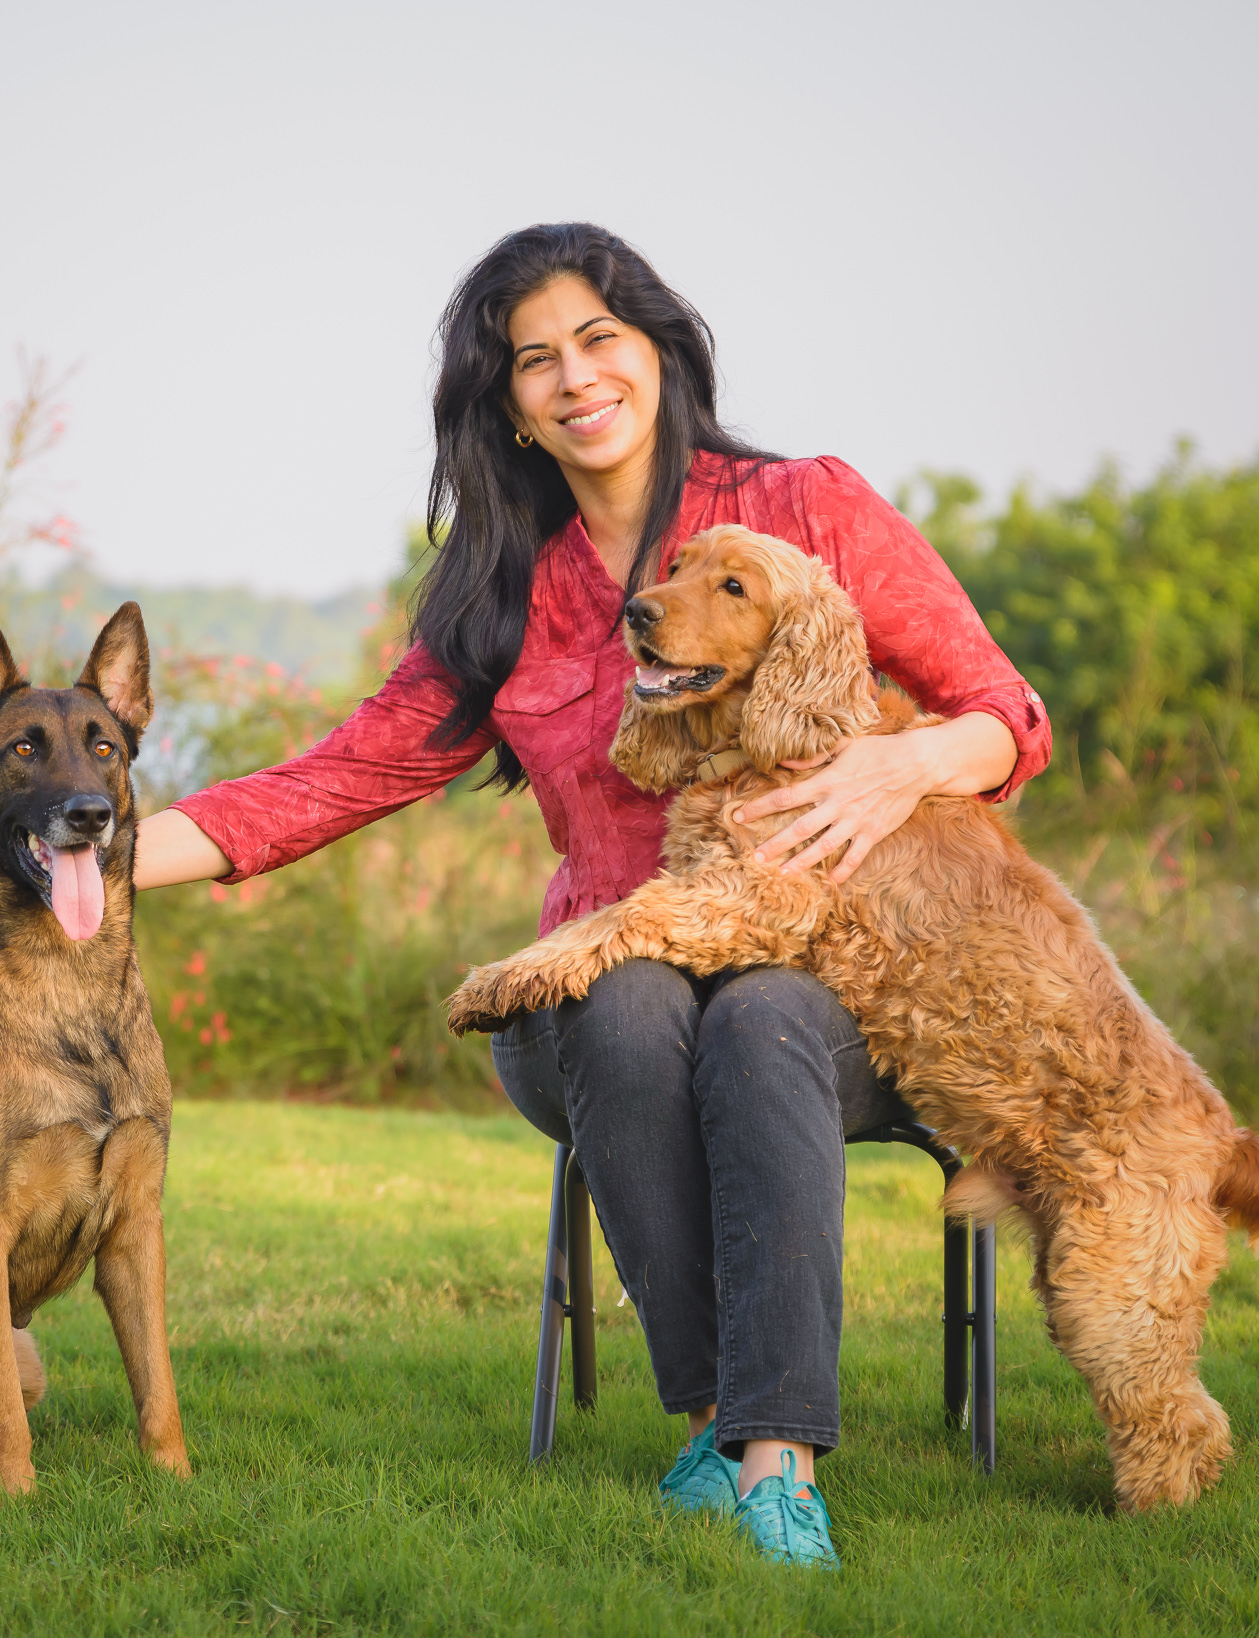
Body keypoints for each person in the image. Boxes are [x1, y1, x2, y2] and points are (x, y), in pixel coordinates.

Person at [133, 222, 1051, 1568]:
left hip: (831, 995)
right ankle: (716, 1425)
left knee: (763, 1017)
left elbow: (1006, 716)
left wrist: (901, 762)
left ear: (659, 348)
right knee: (620, 998)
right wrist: (72, 862)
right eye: (534, 360)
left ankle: (776, 1461)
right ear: (504, 404)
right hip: (604, 1003)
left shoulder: (810, 511)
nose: (576, 378)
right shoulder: (506, 591)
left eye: (600, 339)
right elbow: (330, 782)